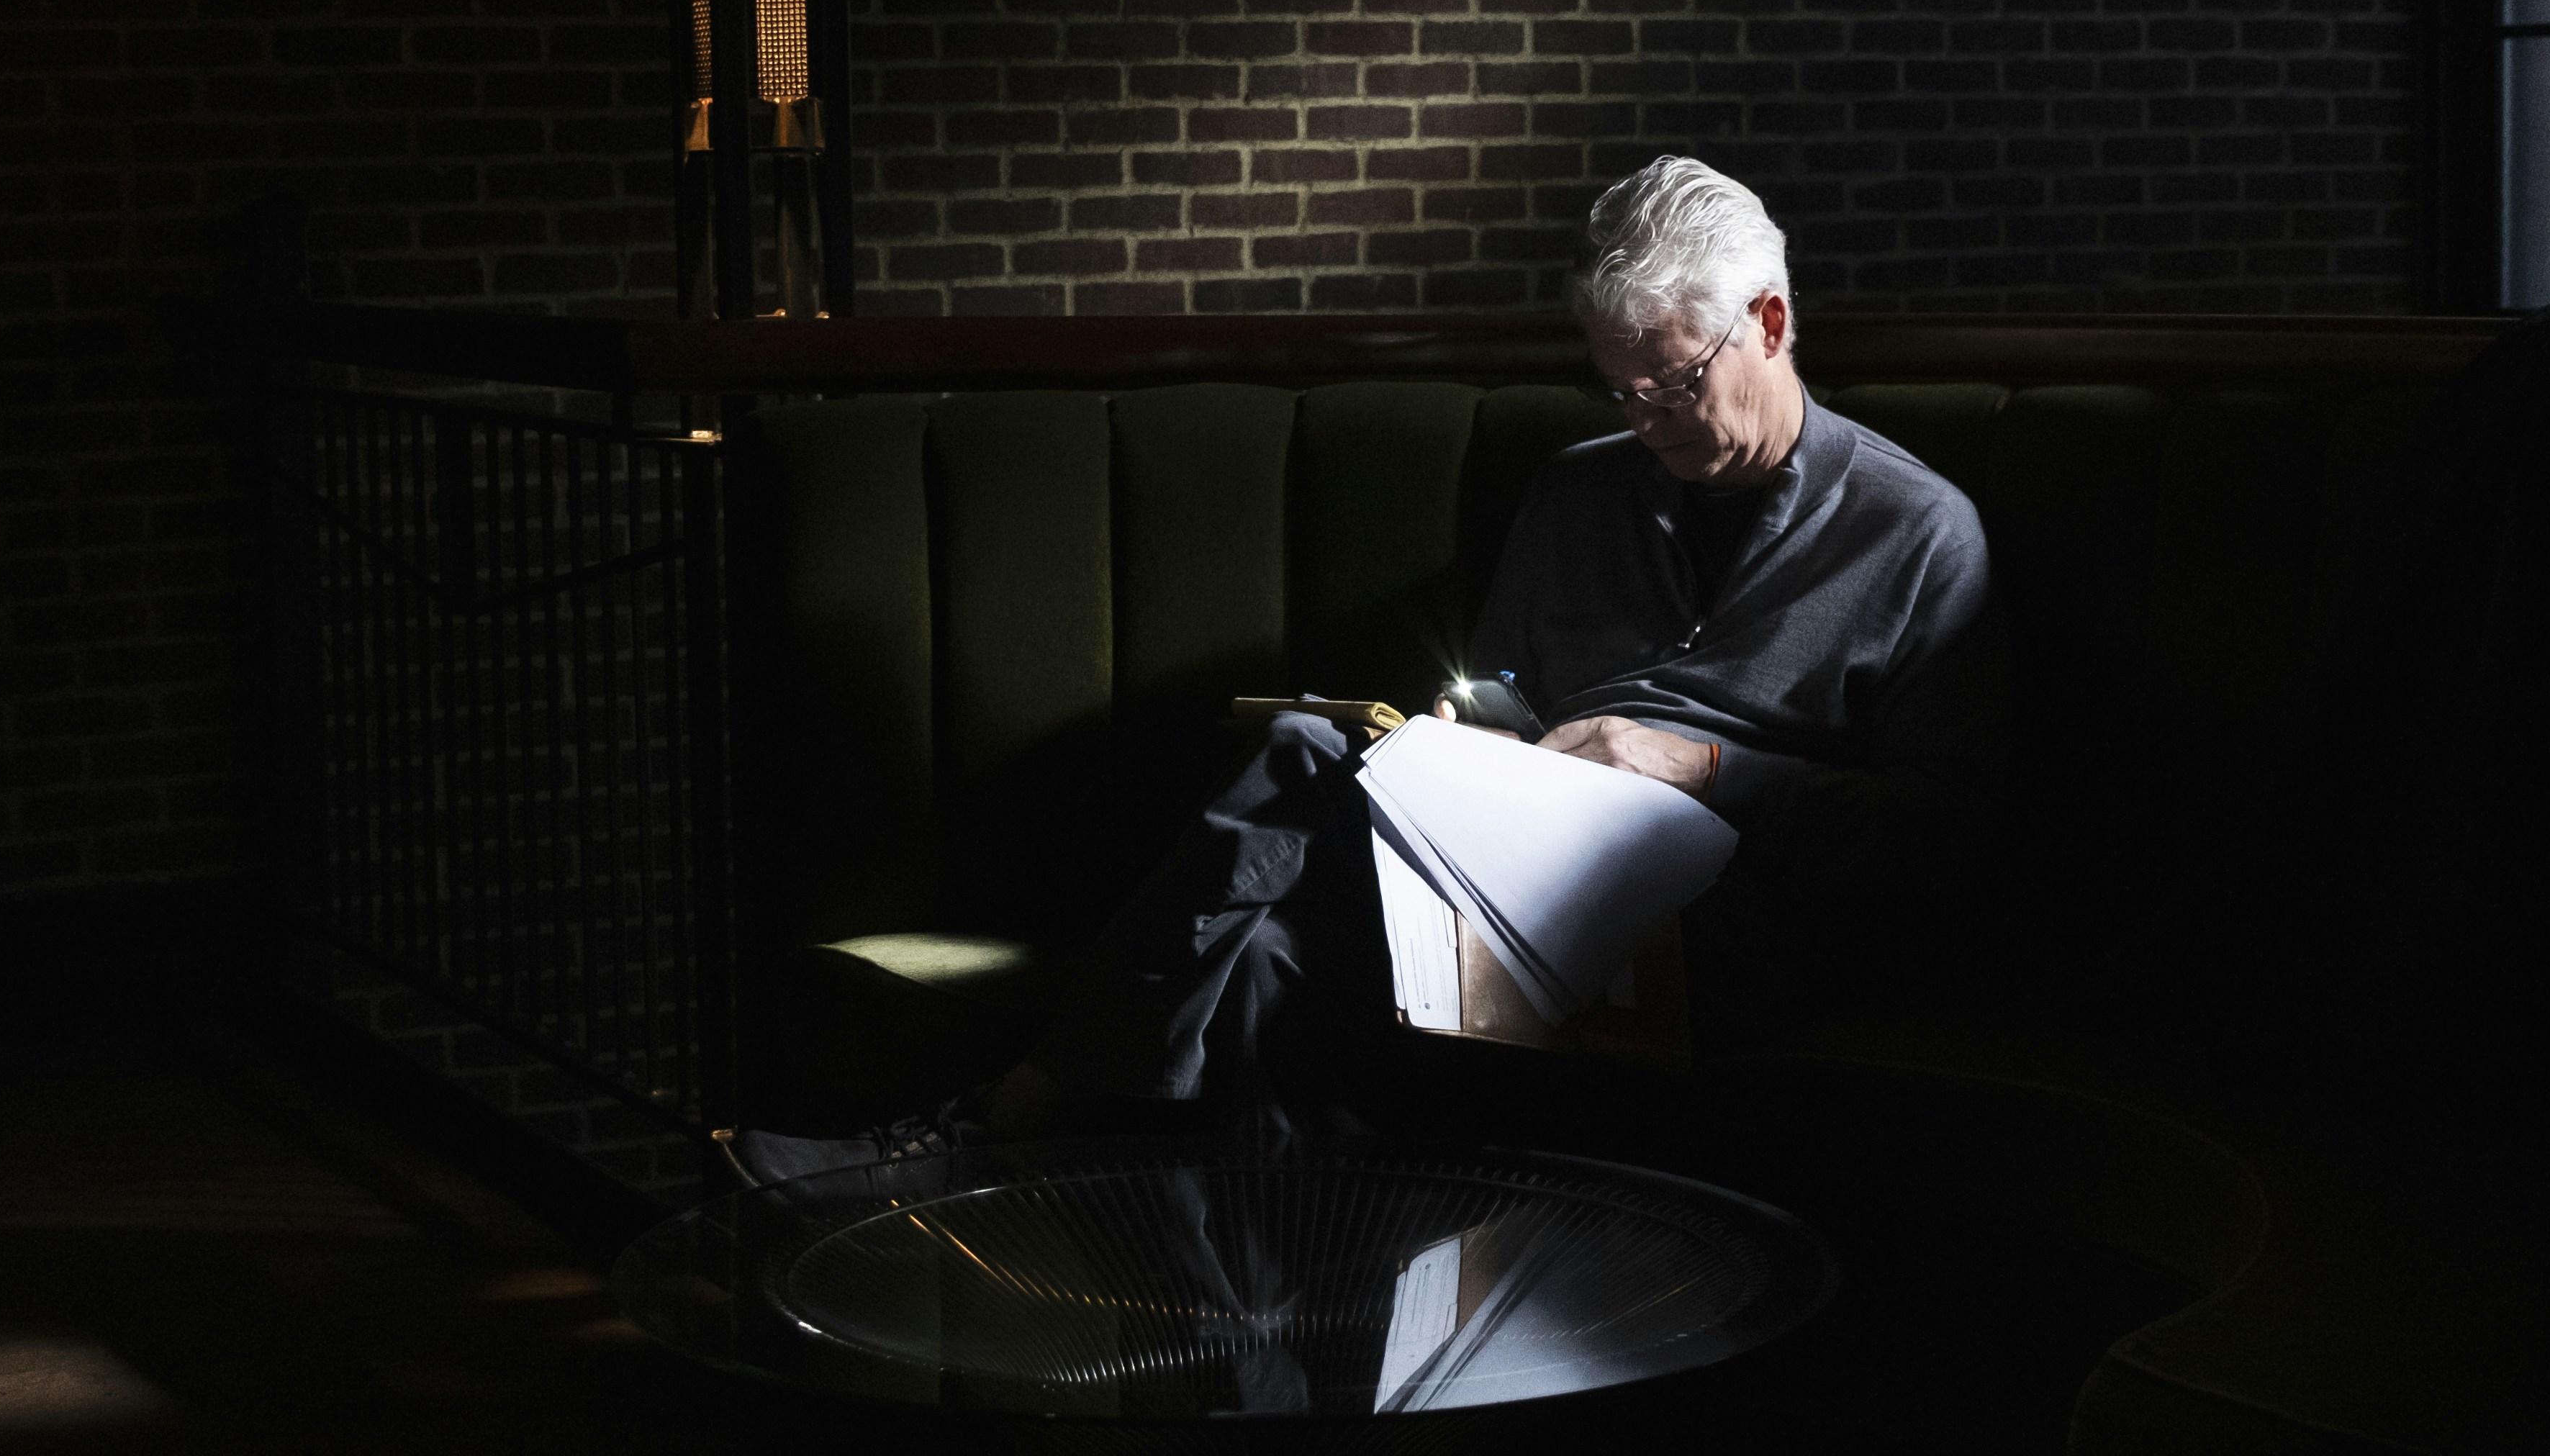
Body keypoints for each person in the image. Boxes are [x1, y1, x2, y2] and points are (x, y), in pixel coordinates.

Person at [718, 153, 1995, 1184]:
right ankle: (1267, 1342)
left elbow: (1936, 837)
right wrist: (1466, 740)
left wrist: (1700, 766)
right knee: (1272, 946)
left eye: (1670, 385)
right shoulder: (1579, 492)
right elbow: (1507, 699)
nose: (1645, 422)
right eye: (1619, 392)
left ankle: (997, 1128)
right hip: (1521, 876)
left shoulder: (1917, 531)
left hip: (1729, 924)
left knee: (1295, 777)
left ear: (1769, 323)